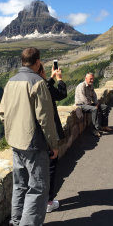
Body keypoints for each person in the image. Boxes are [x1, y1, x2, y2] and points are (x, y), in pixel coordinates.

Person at [0, 48, 59, 226]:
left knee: (20, 185)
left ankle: (16, 221)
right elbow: (45, 119)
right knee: (38, 187)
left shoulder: (10, 82)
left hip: (15, 141)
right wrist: (53, 144)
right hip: (34, 143)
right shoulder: (38, 82)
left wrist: (13, 129)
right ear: (38, 62)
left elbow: (2, 113)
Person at [37, 63, 67, 213]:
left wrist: (50, 77)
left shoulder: (27, 83)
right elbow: (61, 95)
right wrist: (59, 79)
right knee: (50, 167)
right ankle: (48, 202)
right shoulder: (44, 86)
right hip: (46, 135)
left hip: (31, 136)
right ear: (40, 71)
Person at [75, 72, 112, 137]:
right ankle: (95, 130)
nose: (92, 80)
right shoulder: (81, 86)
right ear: (86, 78)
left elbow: (94, 96)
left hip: (88, 104)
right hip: (81, 105)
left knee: (104, 107)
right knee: (94, 109)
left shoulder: (91, 85)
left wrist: (96, 103)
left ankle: (104, 126)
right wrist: (93, 106)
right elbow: (83, 99)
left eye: (93, 79)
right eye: (90, 79)